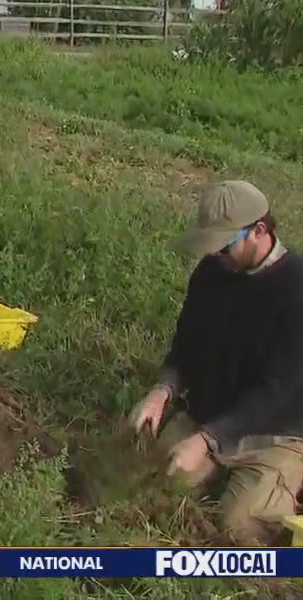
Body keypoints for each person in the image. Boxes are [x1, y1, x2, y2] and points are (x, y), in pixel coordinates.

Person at [130, 180, 303, 546]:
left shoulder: (296, 290)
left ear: (259, 231)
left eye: (224, 245)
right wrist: (162, 391)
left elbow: (276, 391)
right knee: (147, 491)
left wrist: (206, 441)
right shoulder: (212, 273)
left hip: (274, 432)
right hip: (209, 413)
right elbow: (186, 344)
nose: (216, 256)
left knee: (241, 528)